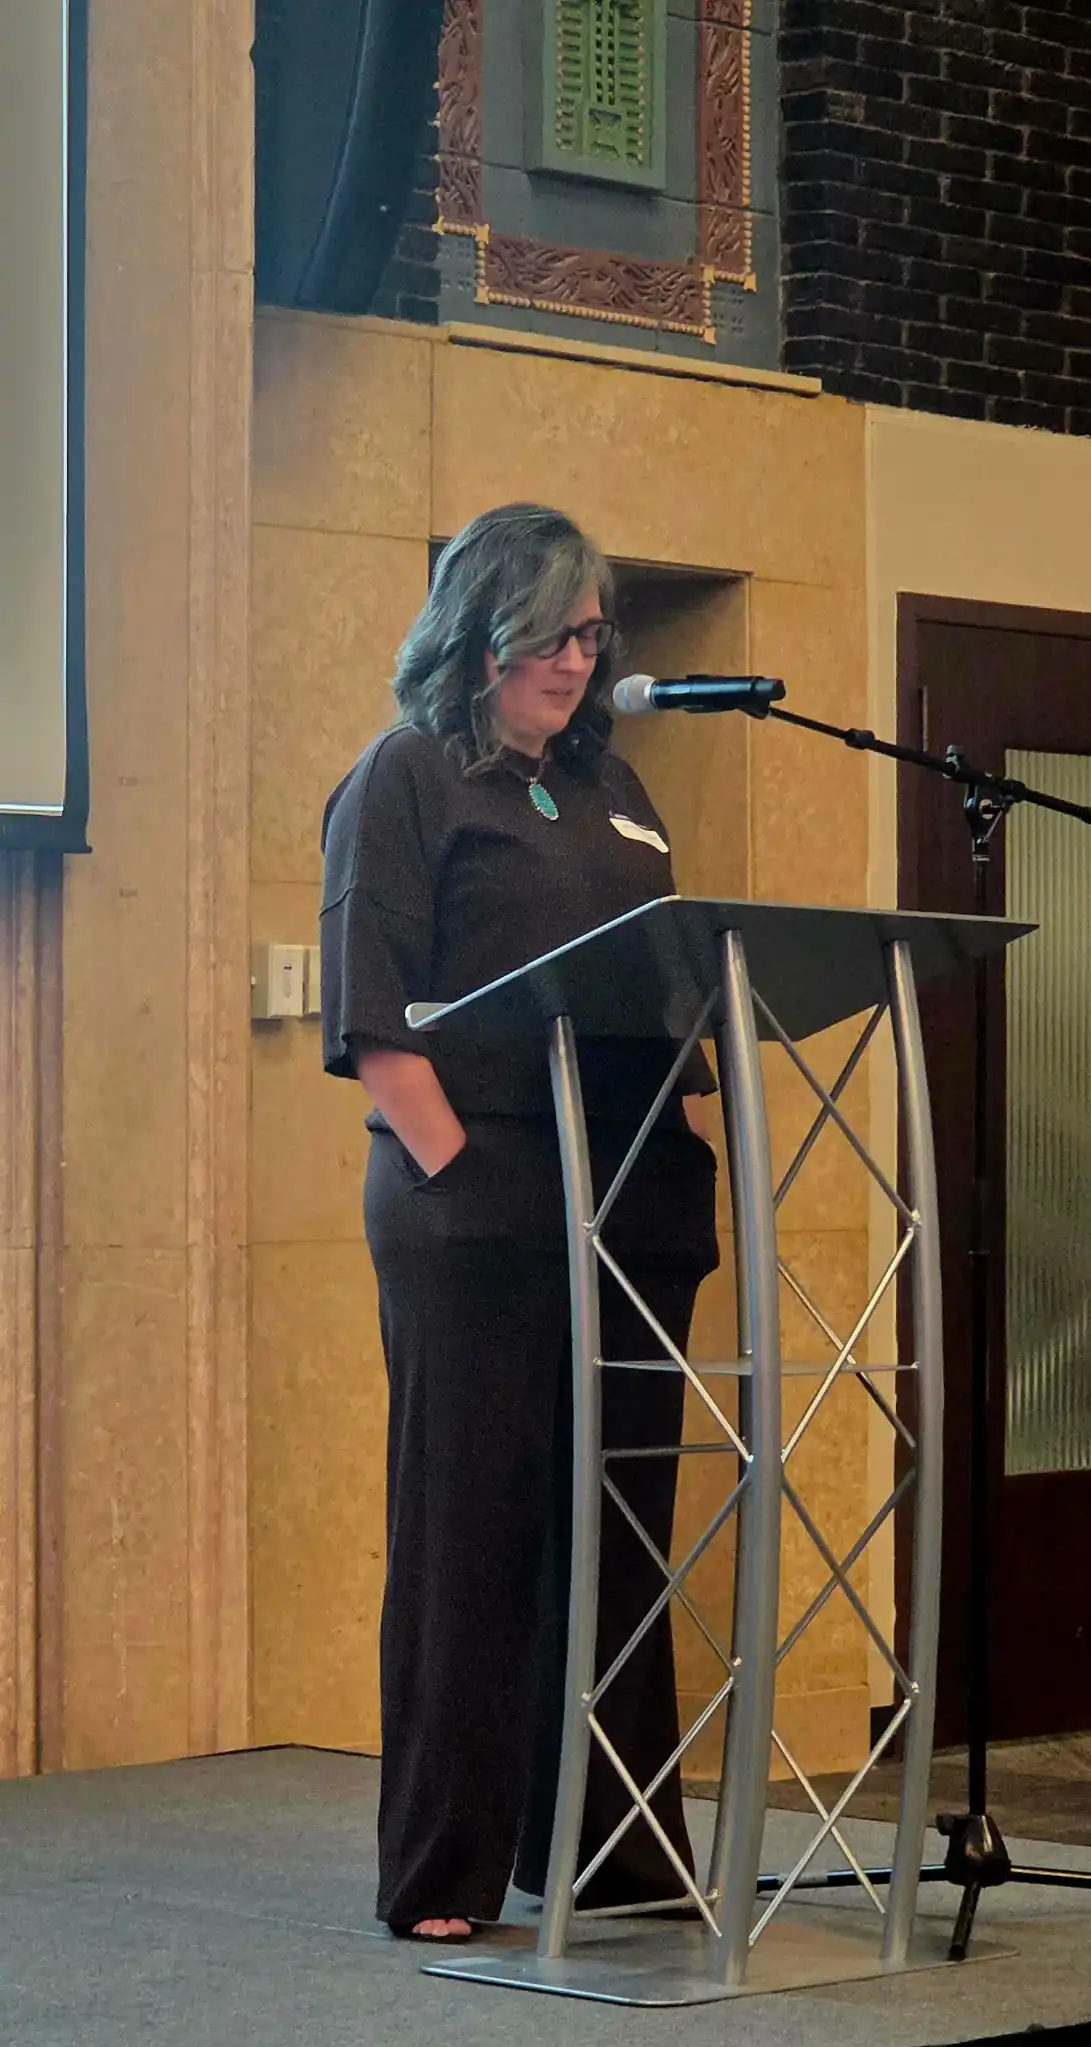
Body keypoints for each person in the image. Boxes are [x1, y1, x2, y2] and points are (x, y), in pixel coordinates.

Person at [320, 503, 720, 1944]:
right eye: (552, 629)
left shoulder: (618, 787)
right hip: (478, 1201)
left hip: (632, 1204)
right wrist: (455, 1170)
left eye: (592, 631)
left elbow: (668, 971)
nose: (576, 656)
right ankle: (445, 1870)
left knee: (616, 1533)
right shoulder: (410, 776)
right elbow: (374, 1013)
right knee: (471, 1531)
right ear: (477, 630)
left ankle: (608, 1847)